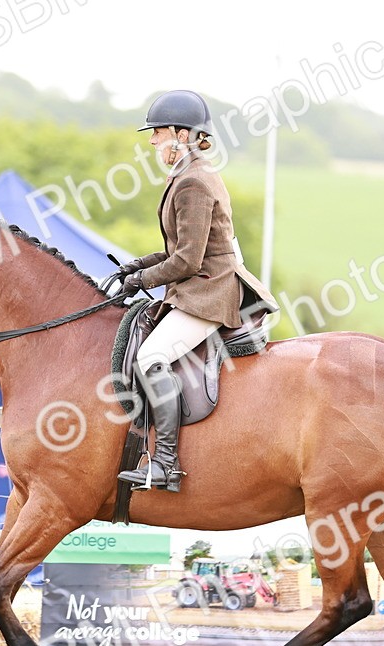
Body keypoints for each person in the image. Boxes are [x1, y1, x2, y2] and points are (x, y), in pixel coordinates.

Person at [117, 89, 278, 492]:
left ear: (180, 133)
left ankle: (166, 465)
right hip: (201, 284)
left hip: (210, 292)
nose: (152, 141)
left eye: (157, 133)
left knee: (152, 356)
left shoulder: (193, 182)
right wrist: (140, 264)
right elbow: (183, 246)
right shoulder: (191, 175)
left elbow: (188, 261)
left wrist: (142, 281)